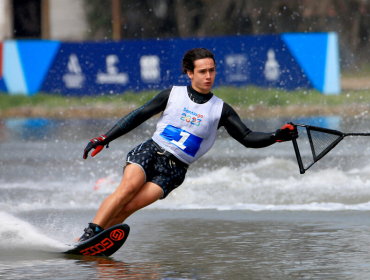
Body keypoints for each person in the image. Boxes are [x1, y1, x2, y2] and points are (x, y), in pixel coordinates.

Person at [78, 48, 298, 241]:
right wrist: (104, 138)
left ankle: (94, 241)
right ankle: (90, 233)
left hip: (175, 169)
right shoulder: (172, 94)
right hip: (151, 151)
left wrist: (276, 135)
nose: (208, 76)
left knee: (130, 206)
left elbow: (247, 137)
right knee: (127, 189)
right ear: (190, 73)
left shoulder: (221, 109)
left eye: (212, 70)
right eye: (202, 71)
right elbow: (137, 116)